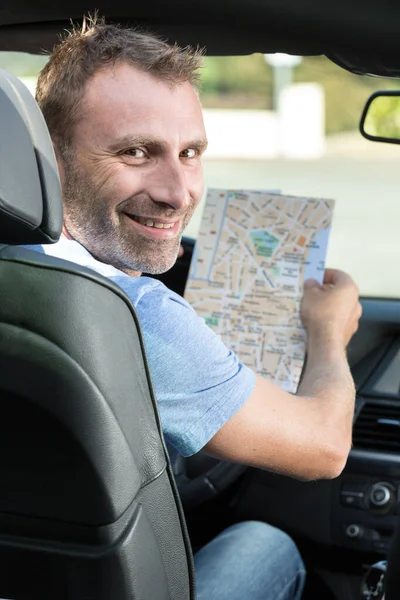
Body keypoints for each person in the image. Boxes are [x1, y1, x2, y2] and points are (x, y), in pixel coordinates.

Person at [26, 16, 362, 600]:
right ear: (51, 156)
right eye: (135, 151)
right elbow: (324, 448)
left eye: (190, 152)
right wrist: (330, 332)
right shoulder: (131, 315)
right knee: (268, 542)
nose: (179, 192)